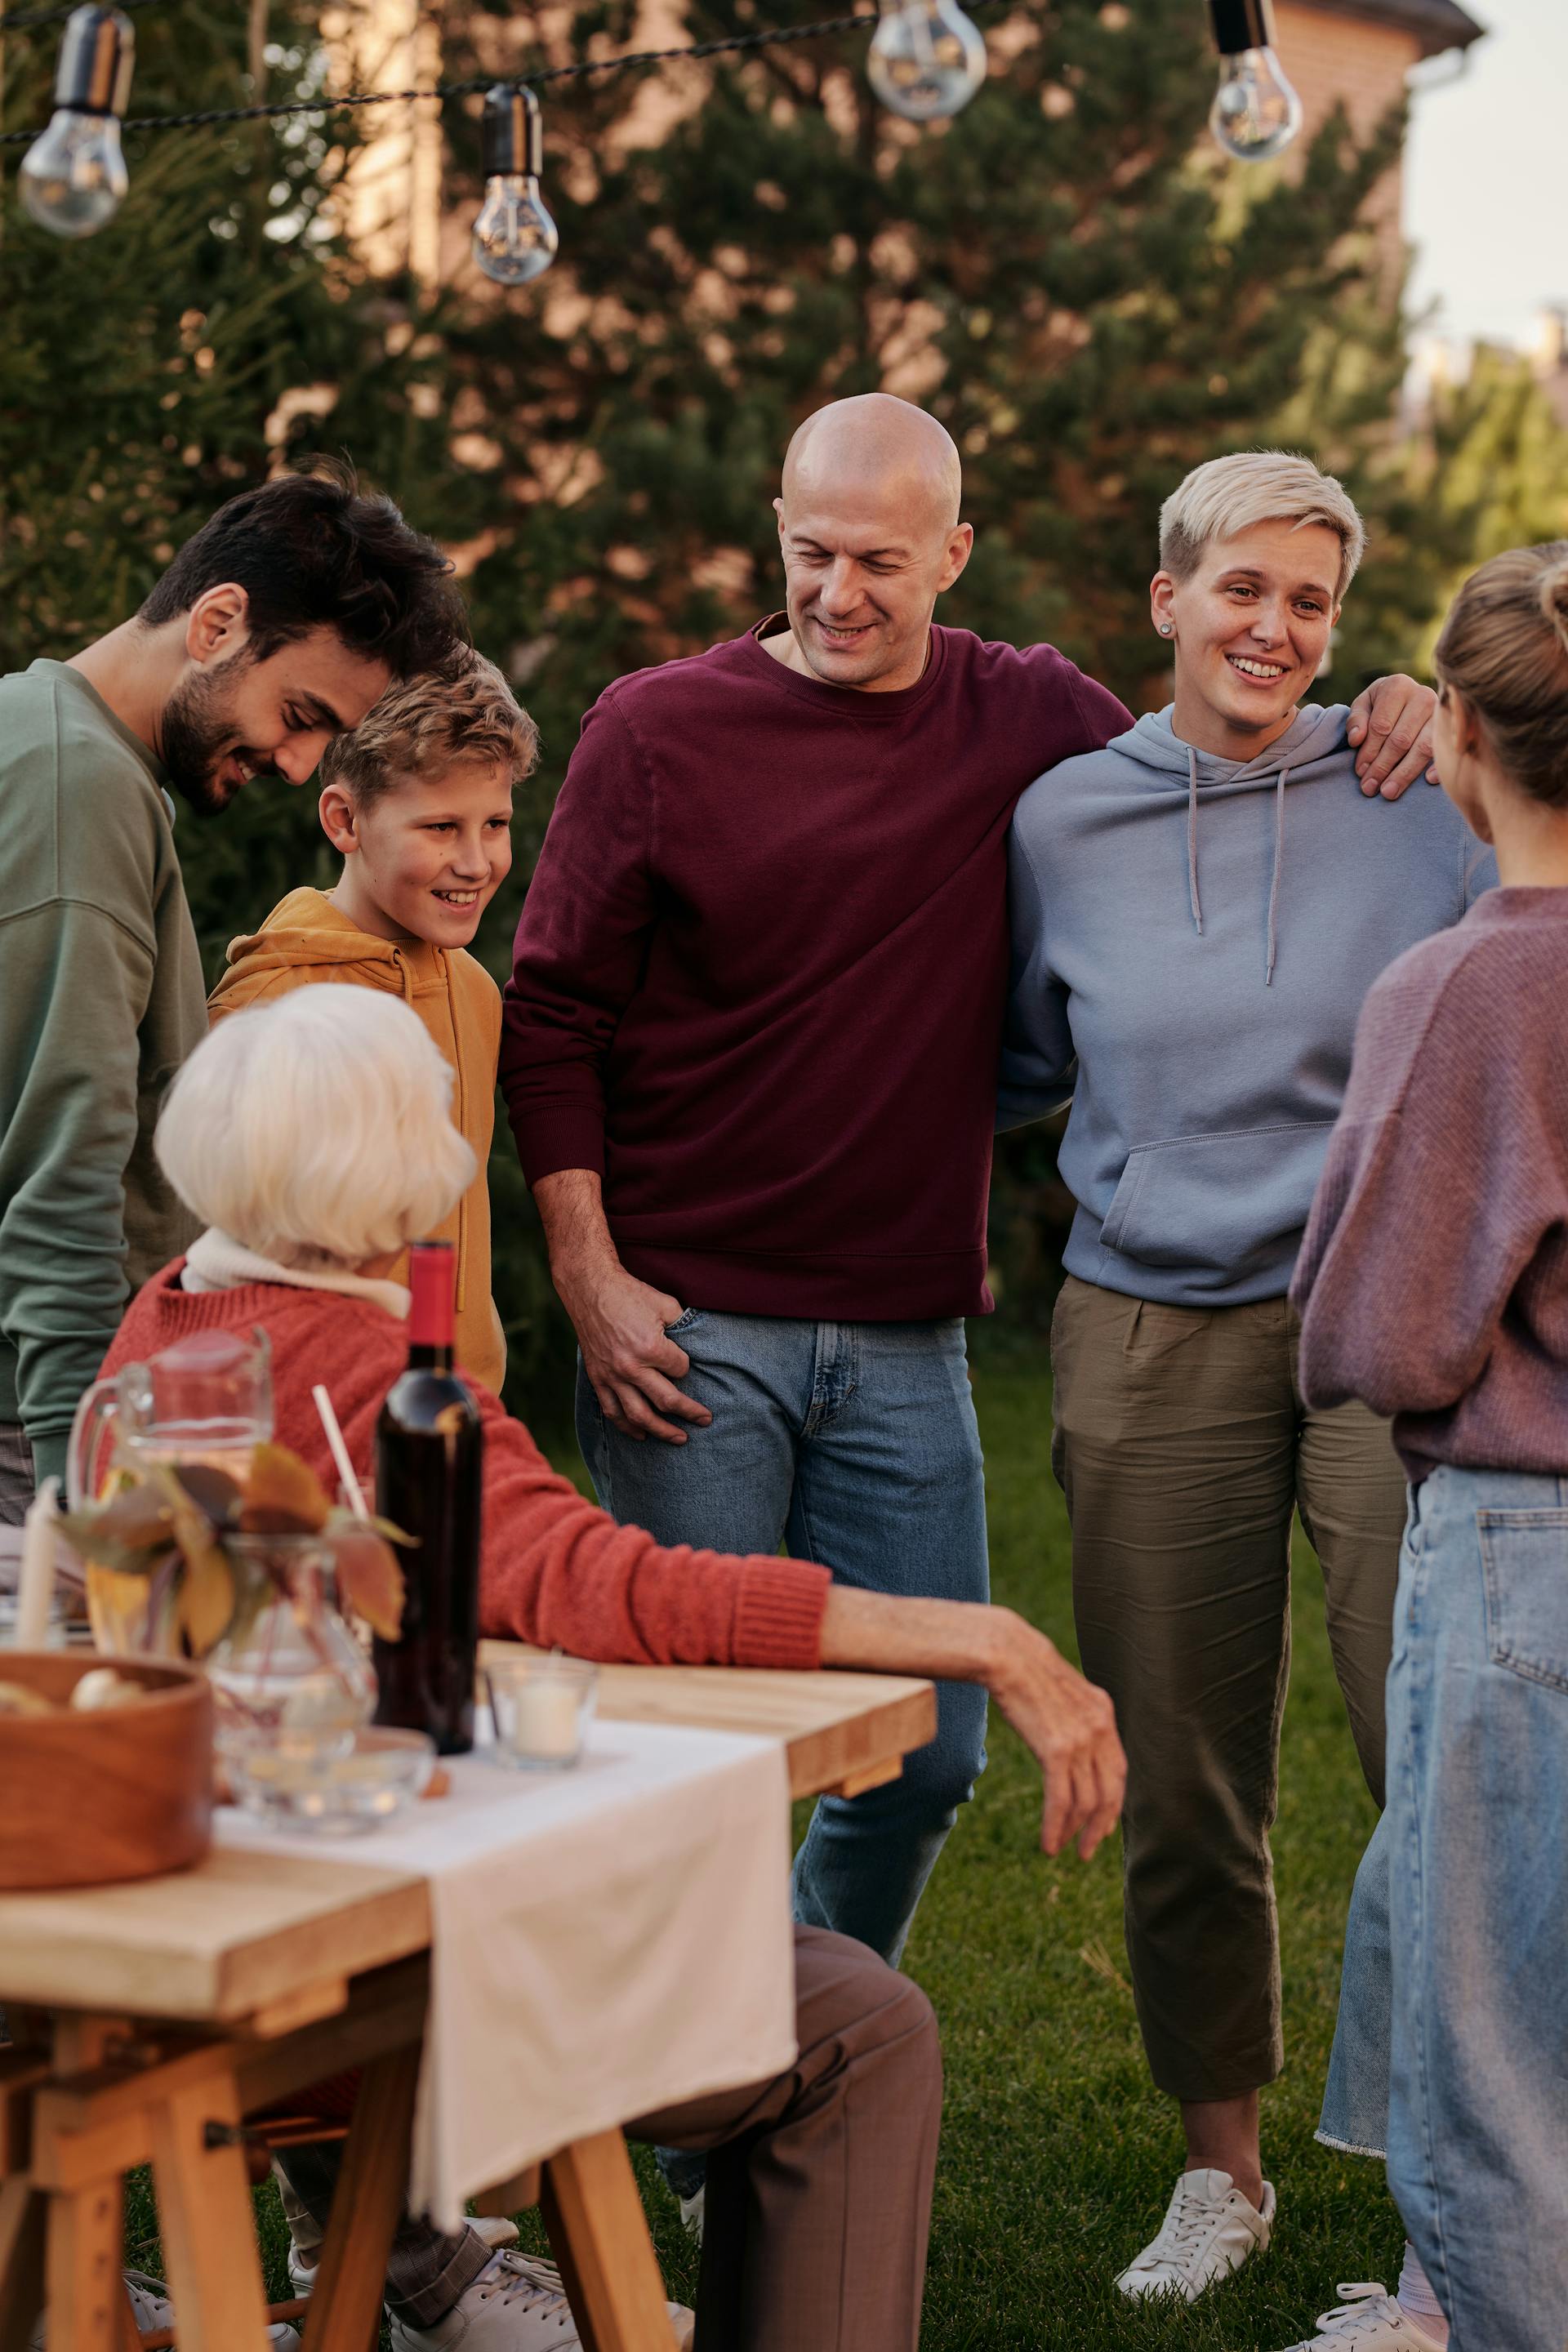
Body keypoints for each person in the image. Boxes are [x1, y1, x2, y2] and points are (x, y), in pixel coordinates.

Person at [499, 395, 1440, 2017]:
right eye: (810, 555)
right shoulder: (654, 731)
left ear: (954, 554)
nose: (840, 593)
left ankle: (795, 2039)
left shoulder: (1026, 722)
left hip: (905, 1335)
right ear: (775, 537)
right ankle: (703, 2111)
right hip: (687, 1326)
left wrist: (1399, 704)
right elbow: (555, 1012)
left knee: (925, 1754)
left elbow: (1221, 725)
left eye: (880, 560)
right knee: (704, 1754)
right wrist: (585, 1272)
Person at [91, 982, 1126, 2352]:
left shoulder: (164, 1324)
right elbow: (611, 1589)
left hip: (235, 1926)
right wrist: (977, 1635)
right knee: (861, 2027)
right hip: (374, 1980)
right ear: (385, 1165)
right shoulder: (359, 1367)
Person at [1000, 451, 1494, 2305]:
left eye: (1310, 600)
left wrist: (1446, 721)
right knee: (1187, 1773)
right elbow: (1016, 1058)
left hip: (1385, 1327)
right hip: (1145, 1325)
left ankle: (1480, 2173)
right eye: (1242, 590)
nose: (1273, 627)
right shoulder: (1059, 822)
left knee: (1434, 1747)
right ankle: (1224, 2171)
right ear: (1166, 599)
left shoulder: (1414, 790)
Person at [1288, 541, 1568, 2352]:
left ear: (1457, 730)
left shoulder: (1463, 988)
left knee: (1498, 2064)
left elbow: (1380, 1333)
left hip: (1524, 1544)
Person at [0, 459, 466, 1524]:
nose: (301, 766)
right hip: (40, 1431)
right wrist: (90, 1499)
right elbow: (63, 1167)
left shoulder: (43, 736)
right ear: (216, 623)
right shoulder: (82, 790)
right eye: (299, 712)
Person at [208, 648, 536, 1393]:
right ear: (345, 820)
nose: (477, 861)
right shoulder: (272, 1007)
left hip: (464, 1399)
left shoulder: (478, 991)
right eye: (441, 827)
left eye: (495, 823)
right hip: (318, 1409)